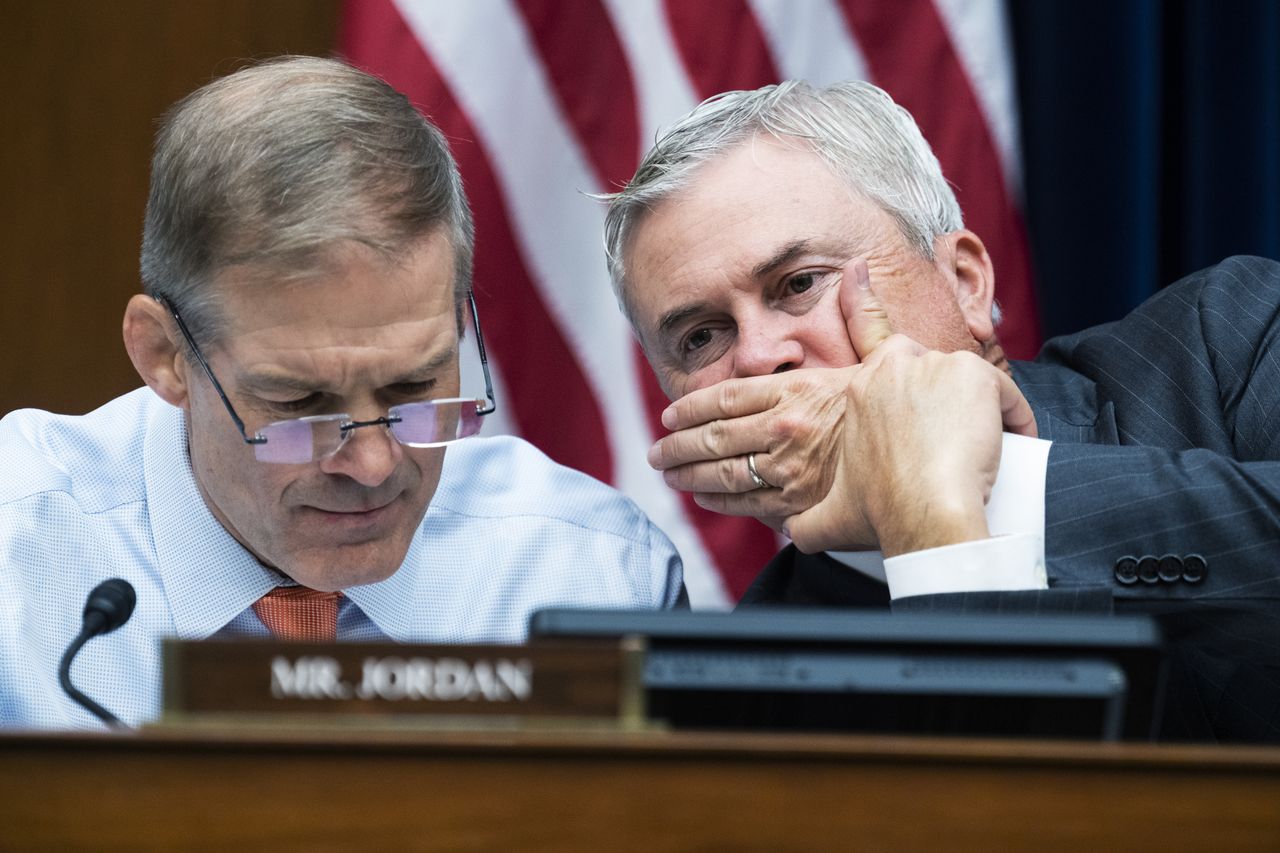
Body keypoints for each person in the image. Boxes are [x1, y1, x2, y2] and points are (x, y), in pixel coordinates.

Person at [0, 57, 683, 730]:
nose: (374, 464)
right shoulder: (18, 565)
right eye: (301, 404)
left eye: (414, 384)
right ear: (164, 355)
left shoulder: (597, 572)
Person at [604, 80, 1280, 741]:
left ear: (963, 283)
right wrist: (928, 512)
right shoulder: (747, 701)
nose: (758, 357)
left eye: (799, 283)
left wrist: (963, 480)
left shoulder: (1227, 341)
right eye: (701, 337)